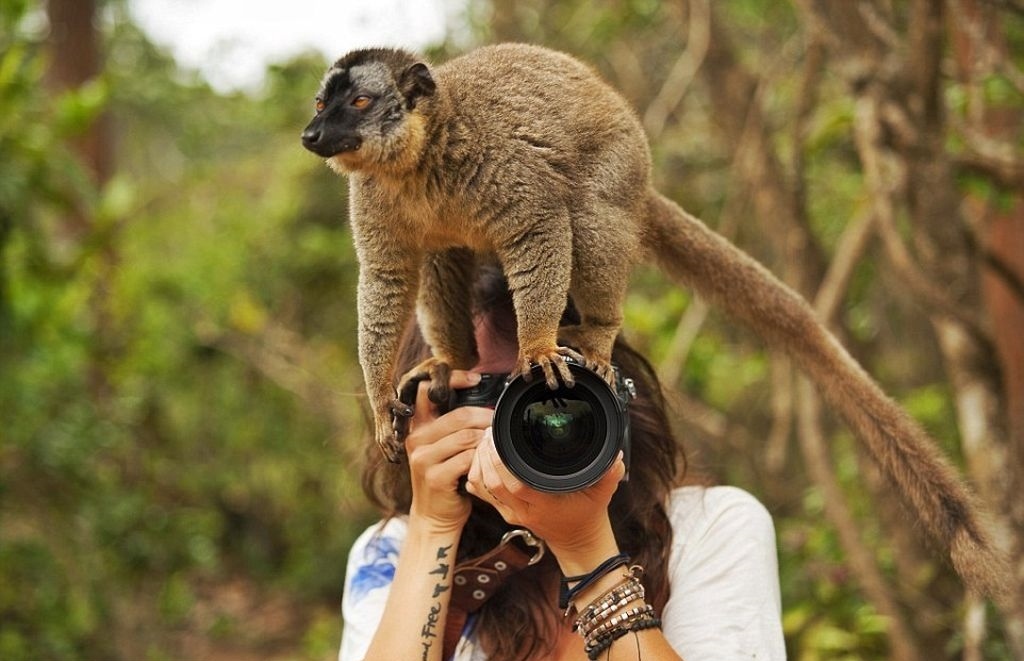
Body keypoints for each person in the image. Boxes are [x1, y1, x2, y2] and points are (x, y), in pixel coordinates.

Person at [339, 266, 785, 660]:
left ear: (611, 389)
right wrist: (433, 525)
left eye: (559, 384)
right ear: (424, 412)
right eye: (494, 393)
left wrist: (586, 546)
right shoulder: (392, 553)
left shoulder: (709, 527)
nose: (540, 418)